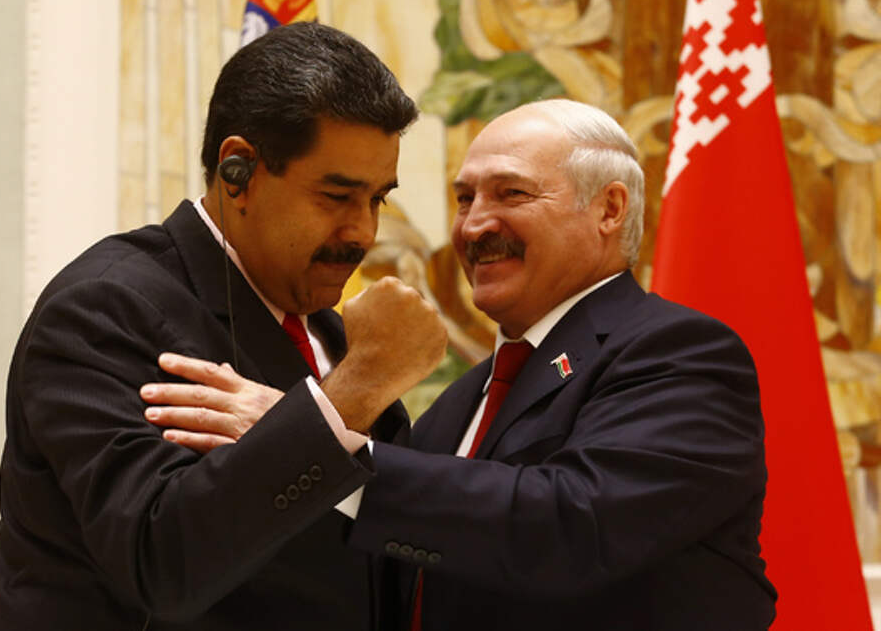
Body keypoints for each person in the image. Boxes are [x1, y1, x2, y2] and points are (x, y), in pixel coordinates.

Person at [145, 99, 778, 629]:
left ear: (609, 209)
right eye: (464, 199)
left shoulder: (682, 354)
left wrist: (312, 445)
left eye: (510, 193)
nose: (474, 227)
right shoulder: (457, 405)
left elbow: (571, 525)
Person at [0, 22, 447, 631]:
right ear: (238, 172)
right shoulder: (102, 307)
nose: (364, 231)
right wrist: (353, 394)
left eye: (378, 198)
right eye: (337, 196)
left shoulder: (332, 333)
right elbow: (162, 561)